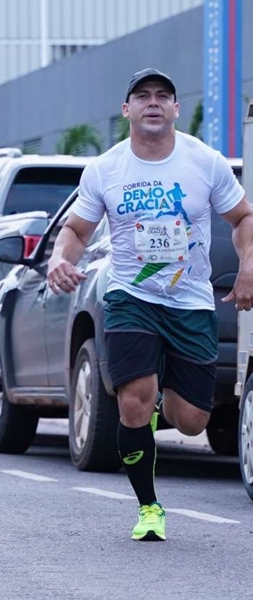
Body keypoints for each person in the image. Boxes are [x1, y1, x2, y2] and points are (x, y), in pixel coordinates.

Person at [47, 68, 253, 541]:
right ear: (127, 110)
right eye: (143, 96)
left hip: (190, 302)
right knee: (134, 402)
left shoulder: (205, 161)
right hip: (130, 296)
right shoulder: (106, 169)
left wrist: (247, 265)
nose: (153, 103)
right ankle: (149, 508)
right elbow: (77, 230)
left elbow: (242, 217)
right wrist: (61, 257)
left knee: (191, 419)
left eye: (163, 96)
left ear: (176, 108)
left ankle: (159, 394)